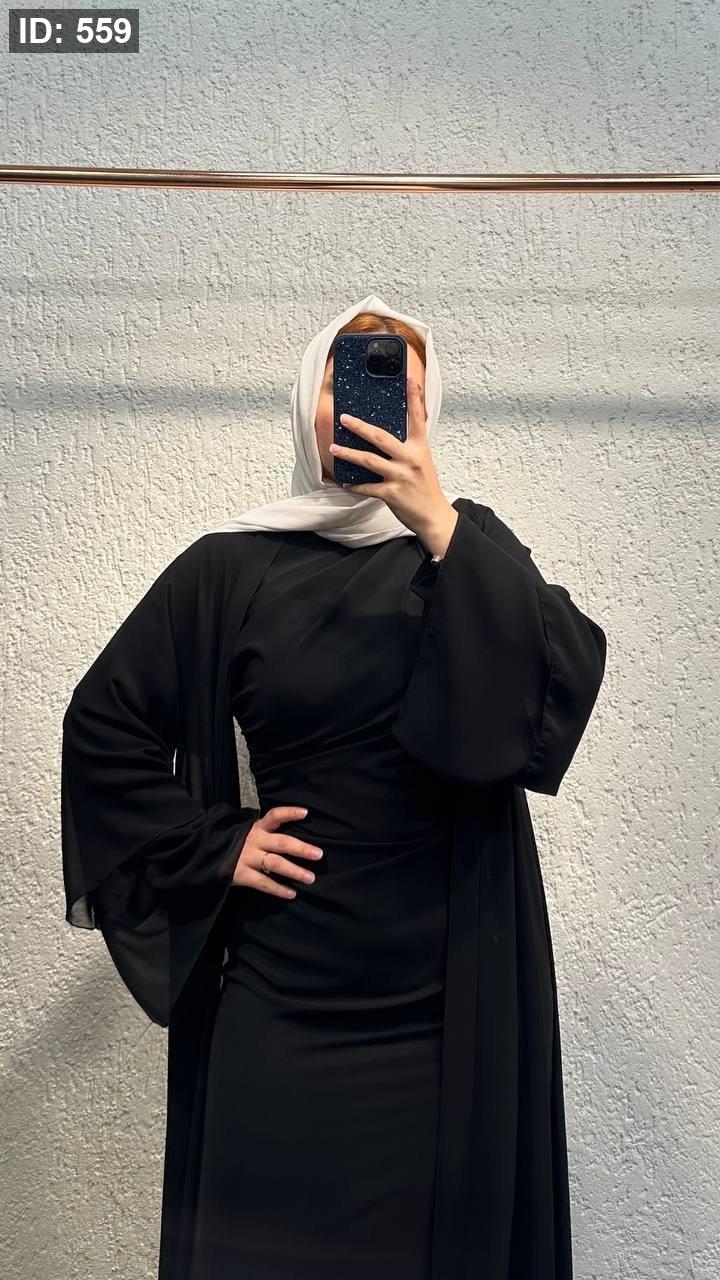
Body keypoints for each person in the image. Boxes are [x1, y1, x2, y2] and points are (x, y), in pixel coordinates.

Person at [61, 292, 607, 1280]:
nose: (368, 403)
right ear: (306, 397)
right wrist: (219, 843)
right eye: (344, 378)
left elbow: (556, 696)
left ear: (428, 410)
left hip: (447, 1013)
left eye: (402, 384)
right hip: (285, 1003)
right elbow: (103, 725)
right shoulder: (230, 569)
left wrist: (436, 522)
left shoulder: (468, 547)